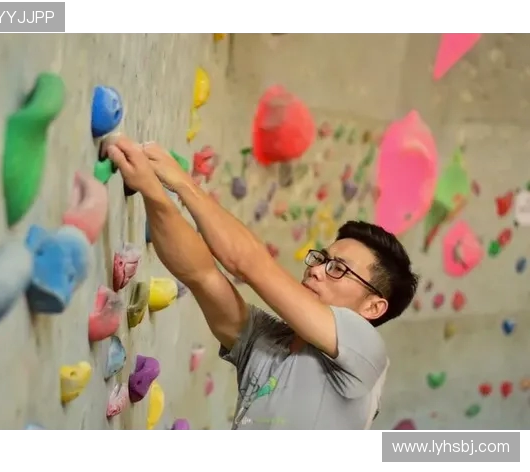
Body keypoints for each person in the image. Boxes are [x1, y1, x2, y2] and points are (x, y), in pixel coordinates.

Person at [106, 136, 419, 430]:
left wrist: (183, 184)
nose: (316, 271)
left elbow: (250, 264)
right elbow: (201, 274)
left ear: (373, 307)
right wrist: (153, 192)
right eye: (321, 259)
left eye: (338, 268)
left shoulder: (368, 352)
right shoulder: (268, 342)